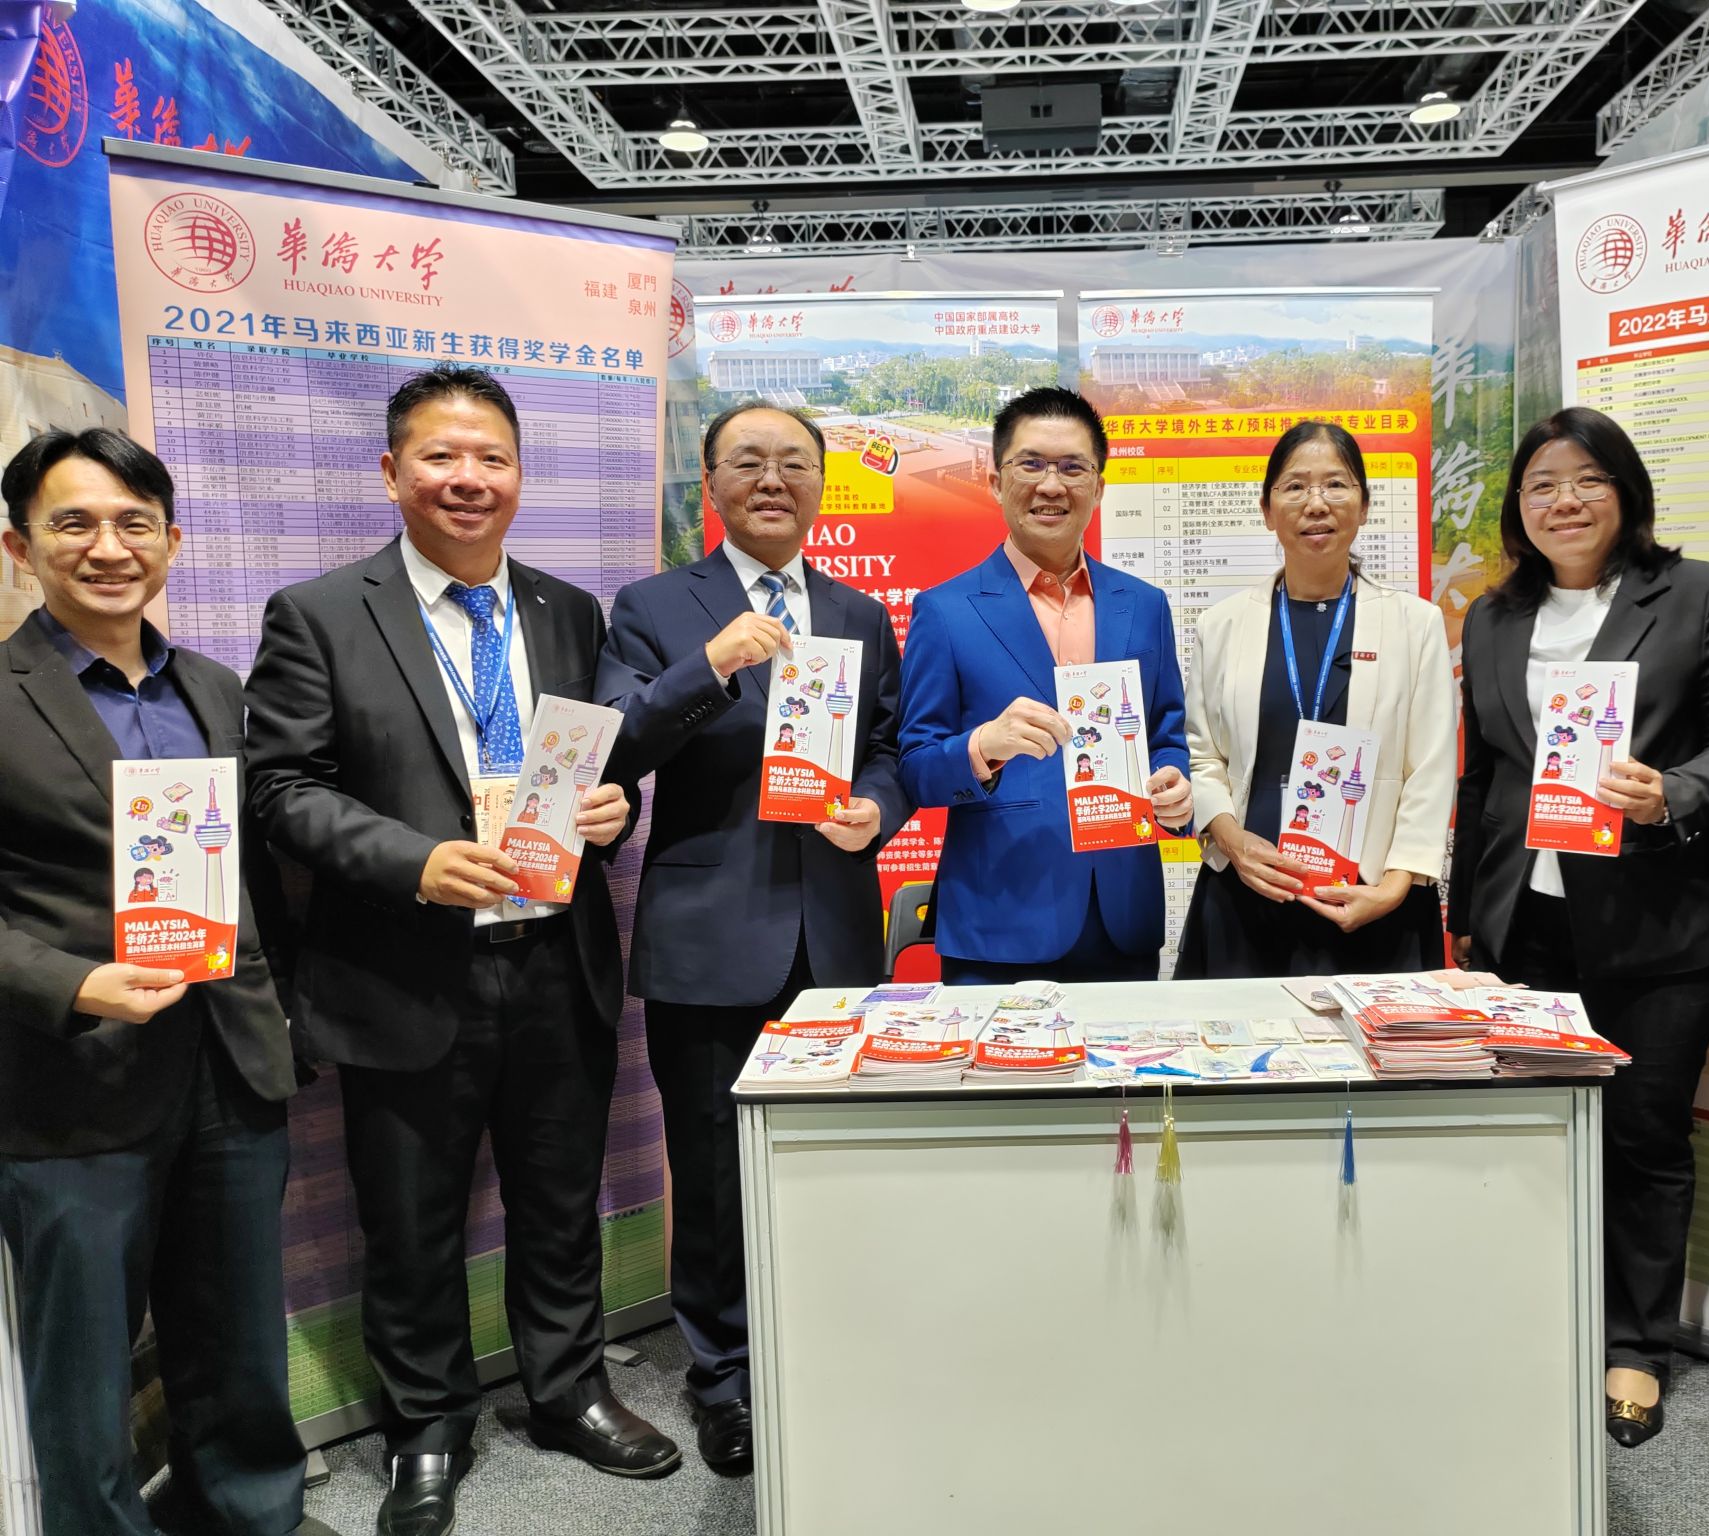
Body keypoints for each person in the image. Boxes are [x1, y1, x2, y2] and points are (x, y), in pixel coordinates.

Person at [244, 367, 678, 1536]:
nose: (467, 478)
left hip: (555, 958)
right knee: (411, 1219)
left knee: (558, 1200)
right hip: (401, 967)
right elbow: (280, 791)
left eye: (491, 457)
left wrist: (613, 813)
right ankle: (426, 1429)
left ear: (521, 475)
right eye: (440, 456)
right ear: (393, 472)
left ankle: (567, 1393)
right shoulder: (319, 613)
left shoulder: (567, 612)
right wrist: (415, 860)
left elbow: (596, 767)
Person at [0, 429, 331, 1536]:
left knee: (237, 1339)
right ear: (20, 546)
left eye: (134, 522)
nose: (109, 547)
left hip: (231, 1064)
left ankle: (251, 1516)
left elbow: (264, 872)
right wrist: (73, 983)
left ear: (172, 541)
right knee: (86, 1369)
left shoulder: (217, 689)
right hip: (72, 1079)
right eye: (74, 523)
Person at [1447, 406, 1709, 1448]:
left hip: (1660, 931)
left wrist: (1671, 794)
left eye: (1587, 479)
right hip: (1526, 927)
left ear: (1625, 492)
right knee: (1533, 1135)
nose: (1564, 501)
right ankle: (1540, 1315)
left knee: (1641, 1135)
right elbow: (1483, 778)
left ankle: (1634, 1345)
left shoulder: (1700, 594)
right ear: (1519, 508)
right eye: (1542, 485)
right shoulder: (1492, 617)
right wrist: (1467, 922)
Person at [596, 401, 909, 1476]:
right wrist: (710, 663)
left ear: (821, 483)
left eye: (793, 463)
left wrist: (877, 808)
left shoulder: (859, 613)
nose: (773, 480)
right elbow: (613, 746)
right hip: (709, 936)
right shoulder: (651, 606)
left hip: (835, 933)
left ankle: (831, 1344)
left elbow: (885, 748)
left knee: (835, 1159)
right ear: (709, 481)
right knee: (714, 1169)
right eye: (748, 462)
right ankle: (723, 1377)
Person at [898, 386, 1191, 983]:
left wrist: (1176, 789)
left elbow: (1166, 736)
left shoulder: (1144, 605)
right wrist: (983, 746)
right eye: (1030, 464)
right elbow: (916, 769)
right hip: (998, 921)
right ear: (995, 481)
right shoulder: (945, 610)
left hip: (1122, 917)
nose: (1051, 485)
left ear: (1099, 487)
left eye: (1073, 468)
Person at [1175, 420, 1455, 978]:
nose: (1316, 503)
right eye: (1295, 486)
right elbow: (1201, 756)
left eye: (1336, 484)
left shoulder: (1415, 624)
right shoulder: (1222, 625)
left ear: (1364, 505)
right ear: (1267, 509)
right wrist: (1233, 843)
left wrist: (1395, 886)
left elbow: (1430, 767)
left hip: (1372, 902)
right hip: (1247, 897)